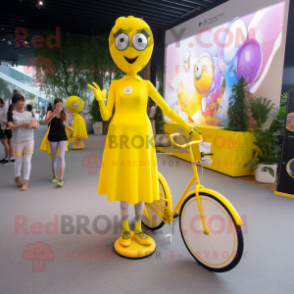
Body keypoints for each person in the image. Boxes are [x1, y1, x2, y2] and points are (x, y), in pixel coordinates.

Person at [88, 16, 197, 248]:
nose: (129, 51)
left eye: (137, 42)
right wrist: (99, 100)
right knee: (126, 182)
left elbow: (166, 109)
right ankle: (126, 228)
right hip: (120, 138)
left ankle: (138, 227)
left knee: (140, 182)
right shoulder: (116, 85)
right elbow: (107, 115)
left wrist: (187, 126)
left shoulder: (146, 85)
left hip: (142, 139)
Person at [7, 93, 38, 191]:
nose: (22, 103)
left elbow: (35, 126)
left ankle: (26, 181)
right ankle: (17, 177)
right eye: (20, 101)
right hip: (17, 140)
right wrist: (23, 125)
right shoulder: (11, 113)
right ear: (15, 103)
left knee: (27, 160)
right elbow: (11, 126)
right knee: (18, 161)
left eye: (23, 100)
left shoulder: (30, 113)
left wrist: (33, 125)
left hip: (29, 139)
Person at [43, 98, 73, 187]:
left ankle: (61, 178)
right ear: (54, 105)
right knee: (54, 157)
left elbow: (68, 127)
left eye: (61, 104)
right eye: (58, 104)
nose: (60, 106)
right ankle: (54, 176)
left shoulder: (65, 114)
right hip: (52, 136)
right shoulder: (50, 112)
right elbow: (45, 122)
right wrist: (54, 112)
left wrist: (65, 124)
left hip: (62, 137)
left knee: (61, 156)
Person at [0, 98, 14, 165]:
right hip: (5, 127)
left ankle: (8, 157)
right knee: (8, 142)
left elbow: (7, 119)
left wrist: (3, 123)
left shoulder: (6, 108)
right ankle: (10, 157)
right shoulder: (2, 108)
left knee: (5, 142)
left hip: (5, 127)